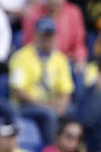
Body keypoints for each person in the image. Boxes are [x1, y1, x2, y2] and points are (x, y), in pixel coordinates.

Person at [8, 16, 74, 144]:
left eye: (50, 36)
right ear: (36, 35)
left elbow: (66, 91)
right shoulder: (21, 57)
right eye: (44, 35)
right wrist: (45, 105)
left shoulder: (60, 59)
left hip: (51, 104)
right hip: (26, 106)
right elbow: (18, 90)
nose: (47, 39)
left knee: (75, 111)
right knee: (49, 115)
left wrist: (62, 104)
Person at [22, 0, 87, 69]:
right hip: (40, 59)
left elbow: (79, 43)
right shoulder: (34, 14)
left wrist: (80, 59)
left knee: (80, 71)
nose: (55, 0)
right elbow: (29, 44)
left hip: (67, 60)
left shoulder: (74, 13)